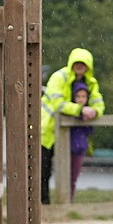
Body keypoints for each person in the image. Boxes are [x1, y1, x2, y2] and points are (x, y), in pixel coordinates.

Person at [40, 47, 104, 204]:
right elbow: (57, 104)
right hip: (47, 129)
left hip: (71, 133)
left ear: (88, 66)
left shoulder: (90, 83)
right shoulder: (59, 77)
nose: (80, 66)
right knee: (43, 171)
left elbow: (99, 103)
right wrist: (81, 110)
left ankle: (65, 205)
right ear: (71, 63)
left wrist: (95, 112)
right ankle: (43, 205)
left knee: (69, 172)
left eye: (83, 63)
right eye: (77, 63)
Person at [68, 80, 95, 200]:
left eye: (83, 96)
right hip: (67, 148)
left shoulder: (89, 113)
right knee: (66, 176)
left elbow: (90, 131)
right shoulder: (69, 112)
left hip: (79, 149)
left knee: (73, 177)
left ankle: (70, 200)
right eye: (78, 96)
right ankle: (65, 200)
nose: (80, 99)